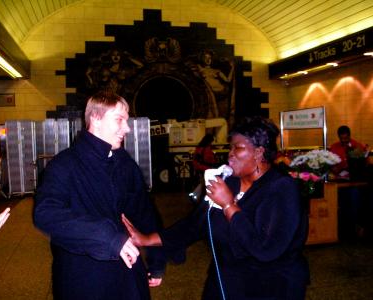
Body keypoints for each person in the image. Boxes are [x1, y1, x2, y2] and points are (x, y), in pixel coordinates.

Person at [123, 116, 310, 300]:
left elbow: (265, 249)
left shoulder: (282, 188)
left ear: (259, 153)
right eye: (231, 147)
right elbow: (194, 225)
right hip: (226, 280)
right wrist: (146, 239)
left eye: (238, 148)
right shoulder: (230, 183)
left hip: (270, 285)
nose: (231, 154)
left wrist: (228, 205)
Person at [33, 90, 164, 300]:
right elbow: (46, 213)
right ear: (96, 118)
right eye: (119, 120)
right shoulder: (64, 165)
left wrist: (157, 259)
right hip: (82, 275)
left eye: (127, 120)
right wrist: (107, 237)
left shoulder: (125, 164)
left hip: (127, 269)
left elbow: (144, 212)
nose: (127, 128)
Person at [330, 125, 368, 239]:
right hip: (340, 181)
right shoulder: (334, 147)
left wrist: (354, 164)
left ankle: (355, 226)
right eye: (342, 139)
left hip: (355, 181)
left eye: (346, 139)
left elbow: (366, 162)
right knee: (342, 203)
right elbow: (331, 165)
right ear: (339, 137)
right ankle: (344, 228)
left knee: (355, 199)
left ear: (349, 136)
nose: (344, 141)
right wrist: (336, 168)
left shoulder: (357, 146)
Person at [189, 133, 218, 202]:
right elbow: (209, 160)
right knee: (204, 183)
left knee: (202, 183)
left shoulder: (199, 147)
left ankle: (194, 196)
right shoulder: (207, 149)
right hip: (205, 168)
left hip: (199, 167)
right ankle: (195, 196)